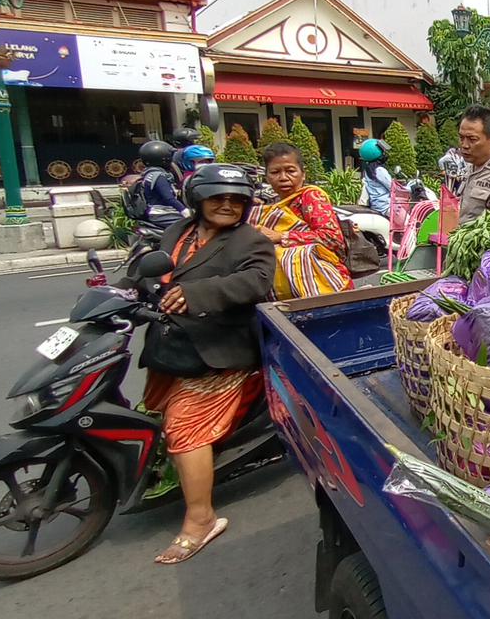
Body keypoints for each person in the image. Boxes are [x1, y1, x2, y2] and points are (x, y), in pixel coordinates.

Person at [136, 163, 274, 564]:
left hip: (220, 352)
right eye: (218, 198)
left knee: (184, 429)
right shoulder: (177, 232)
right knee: (155, 408)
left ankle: (201, 519)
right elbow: (150, 266)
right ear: (198, 199)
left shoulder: (251, 241)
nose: (227, 205)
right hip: (172, 343)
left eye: (236, 199)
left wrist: (196, 293)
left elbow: (255, 283)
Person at [251, 143, 353, 299]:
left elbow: (332, 238)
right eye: (275, 172)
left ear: (303, 174)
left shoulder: (310, 196)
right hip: (286, 296)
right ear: (267, 177)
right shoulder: (270, 204)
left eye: (290, 171)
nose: (283, 177)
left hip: (323, 288)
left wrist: (281, 236)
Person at [136, 140, 187, 216]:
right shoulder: (158, 176)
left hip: (158, 212)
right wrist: (184, 211)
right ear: (164, 159)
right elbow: (169, 198)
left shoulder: (150, 173)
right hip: (162, 213)